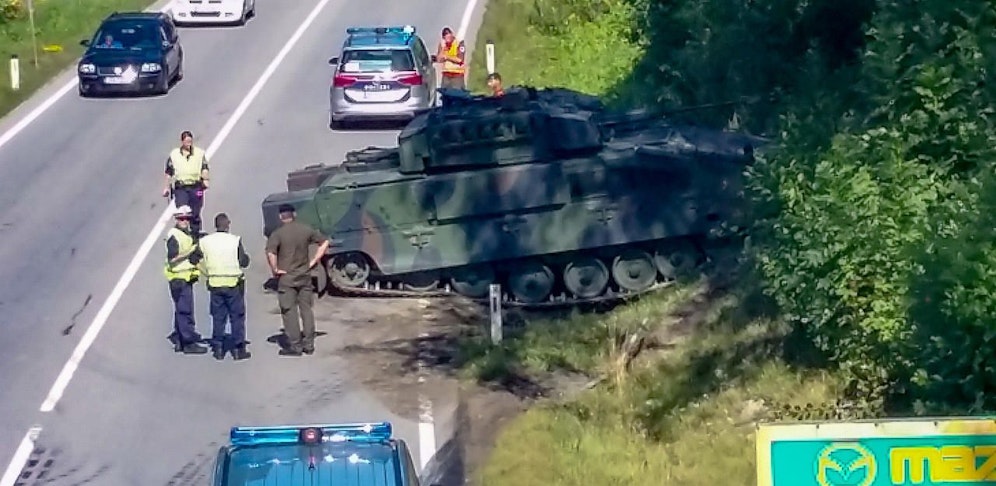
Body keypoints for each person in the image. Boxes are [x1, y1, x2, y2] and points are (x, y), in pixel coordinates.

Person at [265, 204, 330, 356]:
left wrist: (275, 269)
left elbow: (271, 253)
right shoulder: (305, 230)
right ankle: (309, 344)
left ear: (281, 216)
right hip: (304, 275)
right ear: (294, 214)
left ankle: (295, 346)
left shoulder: (278, 234)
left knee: (289, 311)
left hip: (286, 278)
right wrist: (314, 261)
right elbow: (325, 242)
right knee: (306, 310)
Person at [196, 212, 252, 361]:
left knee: (218, 317)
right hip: (233, 284)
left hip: (215, 284)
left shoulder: (205, 241)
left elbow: (193, 259)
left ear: (215, 226)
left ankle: (218, 348)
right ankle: (238, 349)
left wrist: (206, 272)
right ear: (228, 225)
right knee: (237, 317)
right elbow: (244, 261)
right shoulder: (234, 240)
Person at [164, 205, 208, 354]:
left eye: (187, 218)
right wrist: (190, 251)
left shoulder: (185, 234)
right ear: (176, 219)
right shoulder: (174, 236)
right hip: (178, 278)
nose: (184, 221)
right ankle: (188, 342)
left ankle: (179, 338)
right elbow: (172, 258)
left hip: (185, 277)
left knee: (181, 309)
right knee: (185, 310)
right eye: (181, 218)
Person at [163, 130, 210, 237]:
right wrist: (166, 187)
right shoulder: (174, 155)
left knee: (195, 212)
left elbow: (204, 167)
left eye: (190, 141)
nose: (189, 144)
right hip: (181, 188)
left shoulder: (199, 153)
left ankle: (195, 234)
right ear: (182, 142)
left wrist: (206, 180)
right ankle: (183, 235)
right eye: (187, 141)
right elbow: (169, 172)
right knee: (182, 212)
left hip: (196, 187)